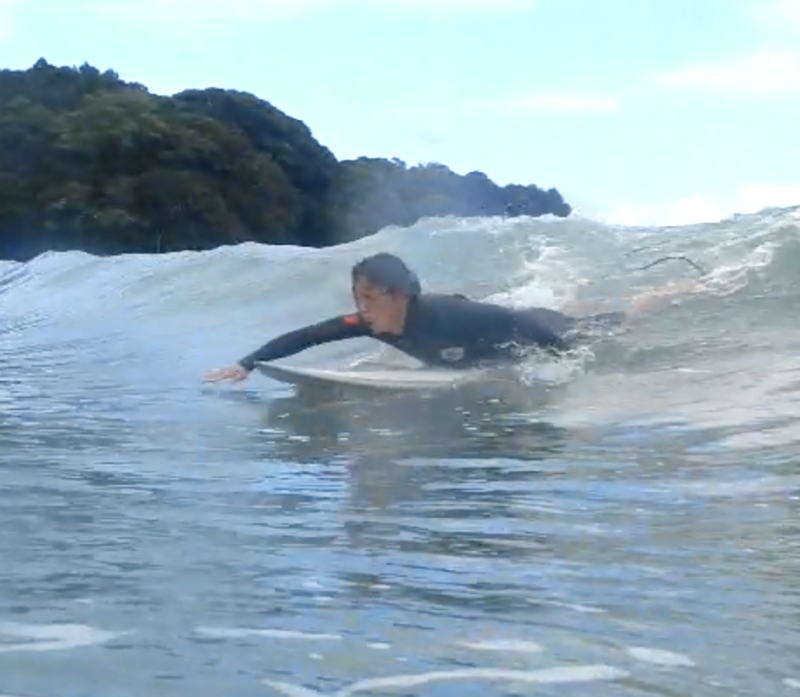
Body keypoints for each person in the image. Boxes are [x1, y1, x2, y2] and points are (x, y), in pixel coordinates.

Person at [203, 252, 703, 384]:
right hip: (497, 336)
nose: (361, 309)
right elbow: (307, 337)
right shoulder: (367, 323)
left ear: (401, 296)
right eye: (358, 298)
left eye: (371, 298)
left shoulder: (451, 315)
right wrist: (247, 363)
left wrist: (573, 361)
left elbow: (526, 326)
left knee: (621, 319)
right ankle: (578, 300)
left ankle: (668, 293)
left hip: (532, 327)